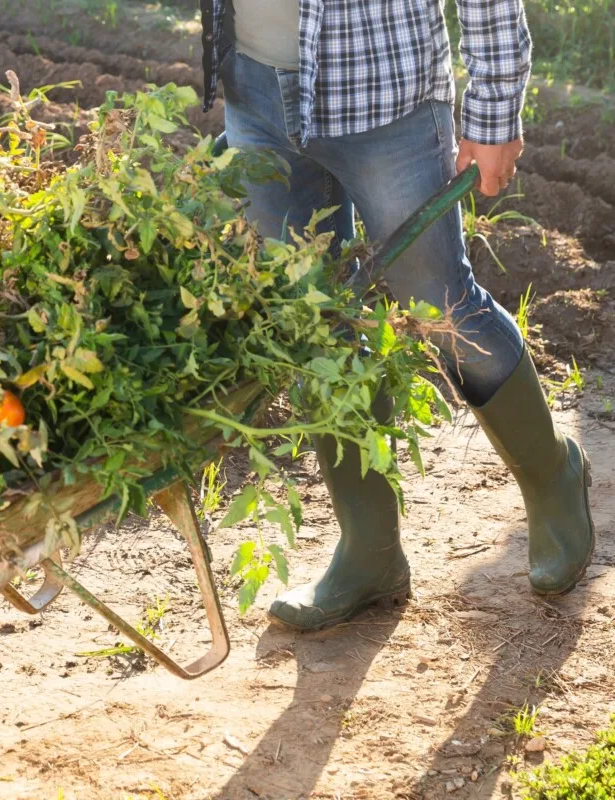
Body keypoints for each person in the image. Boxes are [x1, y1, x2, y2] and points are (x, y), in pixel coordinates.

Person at [199, 0, 594, 630]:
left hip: (383, 94)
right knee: (315, 323)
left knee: (442, 308)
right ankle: (370, 553)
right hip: (256, 89)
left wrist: (494, 108)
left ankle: (553, 475)